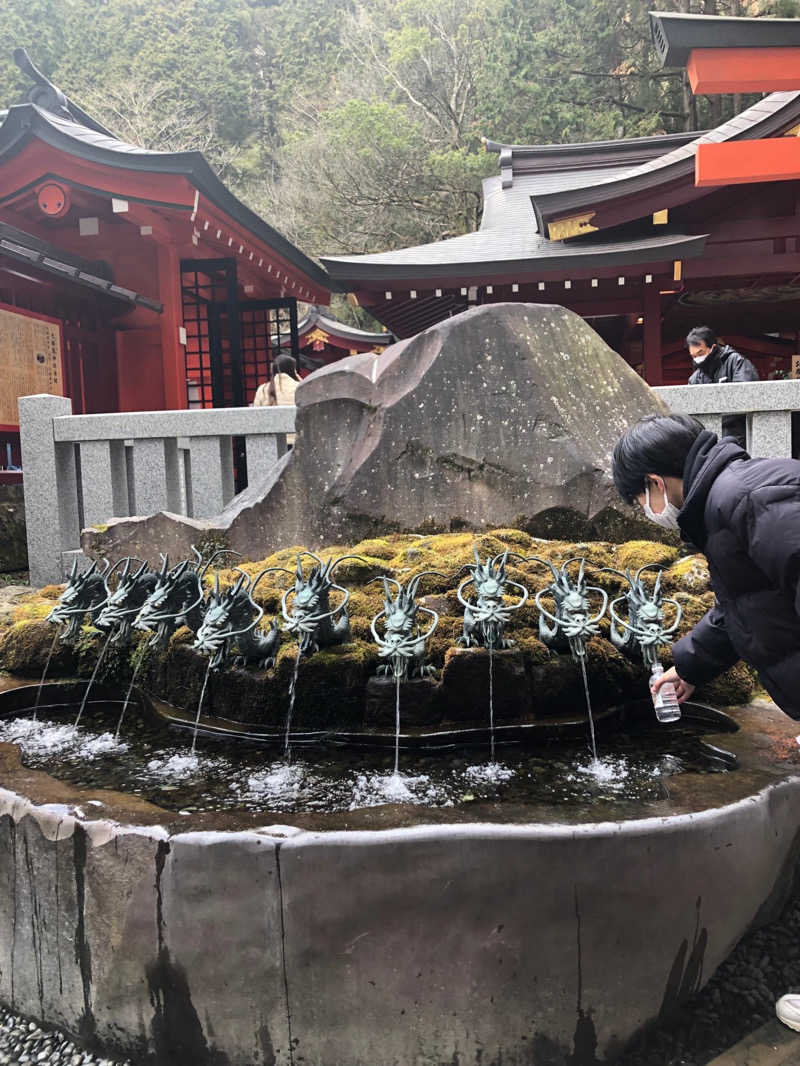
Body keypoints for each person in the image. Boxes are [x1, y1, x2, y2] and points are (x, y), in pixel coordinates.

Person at [612, 412, 800, 1031]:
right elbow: (742, 606)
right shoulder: (725, 505)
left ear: (658, 483)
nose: (646, 510)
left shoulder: (750, 498)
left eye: (640, 497)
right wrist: (687, 668)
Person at [686, 326, 759, 448]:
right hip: (710, 440)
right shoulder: (695, 378)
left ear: (713, 347)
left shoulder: (736, 362)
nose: (697, 359)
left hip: (738, 437)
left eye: (700, 353)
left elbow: (747, 396)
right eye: (693, 356)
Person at [253, 352, 300, 446]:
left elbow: (256, 414)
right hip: (295, 439)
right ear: (292, 370)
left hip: (271, 440)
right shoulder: (299, 388)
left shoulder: (263, 389)